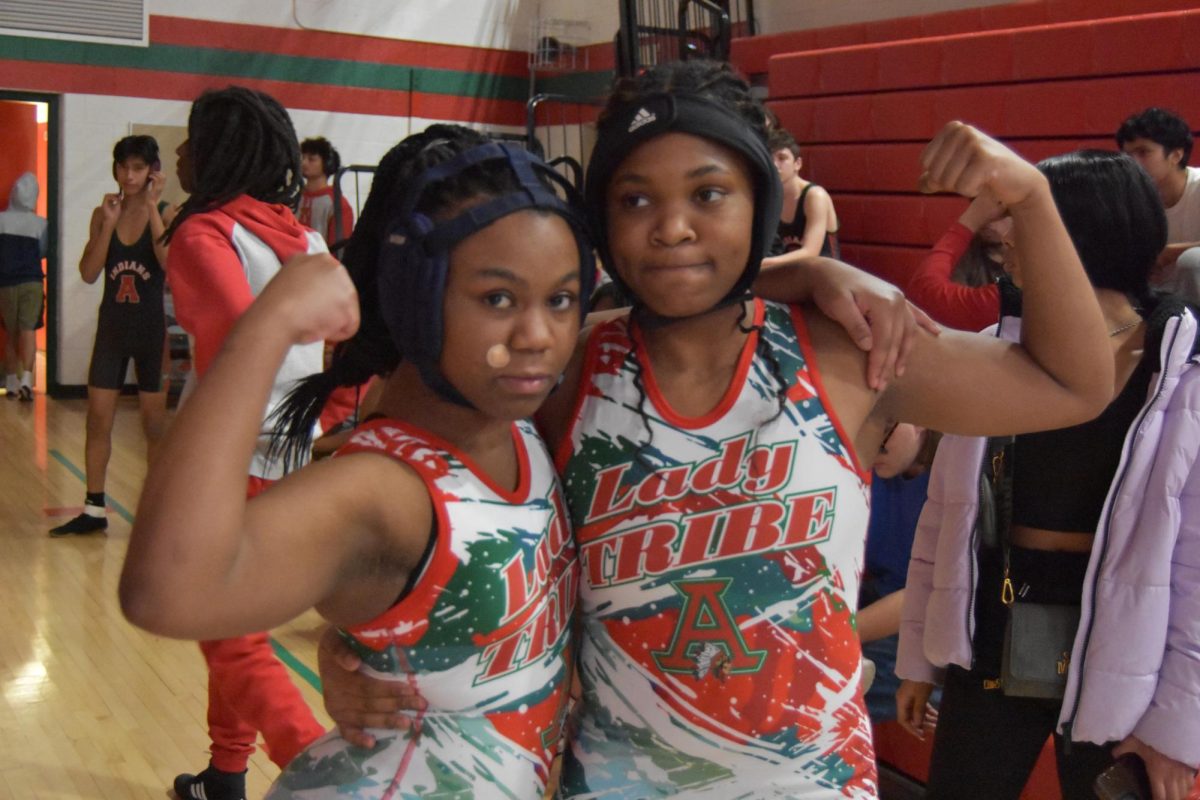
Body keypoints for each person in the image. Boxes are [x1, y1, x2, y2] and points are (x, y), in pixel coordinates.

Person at [315, 59, 1114, 798]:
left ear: (760, 199)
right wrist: (354, 642)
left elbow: (1071, 384)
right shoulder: (570, 366)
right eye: (635, 200)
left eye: (708, 194)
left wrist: (1031, 200)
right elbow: (404, 487)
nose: (671, 228)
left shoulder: (844, 350)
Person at [121, 124, 595, 798]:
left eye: (560, 299)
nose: (538, 336)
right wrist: (263, 329)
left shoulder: (515, 423)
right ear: (416, 292)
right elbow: (163, 592)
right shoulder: (384, 487)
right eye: (498, 299)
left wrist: (786, 275)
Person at [896, 151, 1200, 800]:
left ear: (1079, 235)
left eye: (1021, 220)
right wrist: (920, 652)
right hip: (994, 633)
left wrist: (1182, 727)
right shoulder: (993, 348)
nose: (1003, 242)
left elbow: (1197, 566)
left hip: (1126, 658)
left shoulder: (1185, 372)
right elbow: (946, 512)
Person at [158, 86, 328, 800]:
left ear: (217, 152)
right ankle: (225, 777)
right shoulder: (306, 238)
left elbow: (237, 344)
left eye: (189, 139)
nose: (177, 153)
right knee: (239, 633)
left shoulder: (203, 236)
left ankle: (330, 778)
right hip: (292, 465)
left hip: (229, 466)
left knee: (232, 644)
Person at [50, 136, 169, 536]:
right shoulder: (106, 212)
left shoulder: (167, 211)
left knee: (153, 424)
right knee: (98, 419)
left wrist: (153, 207)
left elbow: (168, 262)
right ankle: (94, 508)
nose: (129, 175)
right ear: (115, 169)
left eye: (138, 168)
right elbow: (88, 272)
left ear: (152, 171)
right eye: (123, 167)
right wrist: (108, 225)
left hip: (152, 333)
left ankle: (156, 511)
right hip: (113, 332)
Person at [858, 423, 940, 723]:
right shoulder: (871, 470)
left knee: (834, 680)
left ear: (920, 422)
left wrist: (835, 636)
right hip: (875, 597)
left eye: (884, 429)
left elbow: (926, 593)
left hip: (926, 622)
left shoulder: (947, 483)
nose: (871, 443)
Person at [1116, 107, 1200, 303]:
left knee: (1193, 260)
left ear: (1176, 155)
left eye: (1143, 152)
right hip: (1160, 301)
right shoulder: (1125, 195)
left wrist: (1172, 252)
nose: (1133, 162)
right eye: (1127, 154)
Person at [903, 193, 1008, 331]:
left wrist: (970, 220)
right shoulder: (967, 252)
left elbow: (926, 295)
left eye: (1003, 211)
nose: (987, 216)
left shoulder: (1023, 292)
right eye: (975, 203)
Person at [762, 126, 841, 267]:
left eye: (782, 158)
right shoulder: (770, 197)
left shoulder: (815, 195)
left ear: (797, 164)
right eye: (770, 158)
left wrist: (760, 263)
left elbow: (811, 252)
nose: (774, 165)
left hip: (826, 278)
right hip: (794, 278)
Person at [0, 171, 48, 401]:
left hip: (5, 283)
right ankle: (27, 380)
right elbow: (43, 251)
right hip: (32, 281)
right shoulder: (41, 224)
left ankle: (10, 382)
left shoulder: (1, 220)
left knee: (11, 333)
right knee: (28, 331)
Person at [298, 136, 354, 249]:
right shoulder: (294, 197)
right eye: (302, 158)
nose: (304, 163)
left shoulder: (338, 203)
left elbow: (338, 250)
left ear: (327, 163)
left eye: (311, 159)